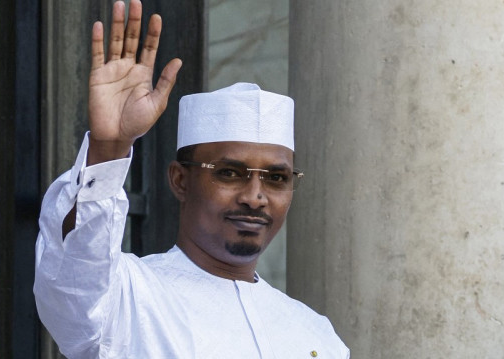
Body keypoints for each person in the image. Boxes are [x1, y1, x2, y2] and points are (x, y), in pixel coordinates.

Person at [34, 1, 349, 358]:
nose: (255, 196)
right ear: (180, 180)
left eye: (276, 178)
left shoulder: (316, 335)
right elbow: (71, 278)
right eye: (230, 173)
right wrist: (108, 149)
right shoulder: (125, 300)